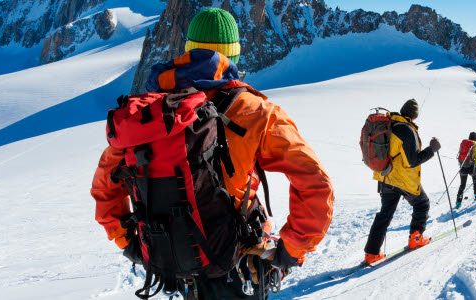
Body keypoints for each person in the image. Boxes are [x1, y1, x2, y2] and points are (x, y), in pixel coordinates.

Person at [90, 8, 334, 299]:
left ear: (188, 50)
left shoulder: (149, 115)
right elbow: (315, 183)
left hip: (174, 258)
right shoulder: (256, 112)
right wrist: (291, 250)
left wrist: (131, 242)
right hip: (237, 261)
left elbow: (106, 187)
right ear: (235, 55)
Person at [364, 99, 440, 264]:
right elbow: (412, 161)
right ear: (415, 116)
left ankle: (371, 254)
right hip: (402, 180)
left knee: (385, 214)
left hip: (385, 177)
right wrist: (431, 150)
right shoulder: (406, 129)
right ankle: (415, 238)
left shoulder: (390, 124)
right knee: (422, 204)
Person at [455, 132, 476, 208]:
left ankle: (458, 203)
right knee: (475, 180)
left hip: (462, 166)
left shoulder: (464, 144)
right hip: (471, 167)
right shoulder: (475, 146)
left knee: (462, 185)